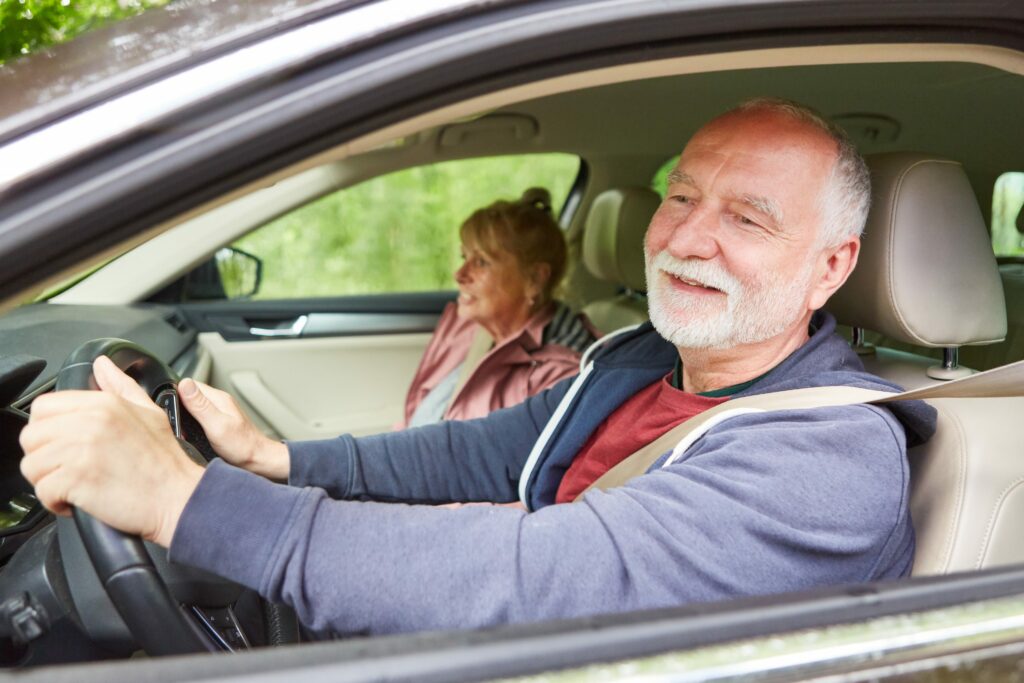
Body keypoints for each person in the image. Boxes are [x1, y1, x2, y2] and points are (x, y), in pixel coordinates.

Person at [20, 98, 936, 638]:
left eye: (748, 217)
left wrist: (187, 503)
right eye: (682, 195)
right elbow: (483, 455)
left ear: (832, 266)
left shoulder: (831, 452)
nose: (688, 237)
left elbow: (542, 577)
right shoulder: (645, 357)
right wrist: (278, 461)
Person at [403, 188, 597, 428]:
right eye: (464, 258)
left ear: (534, 279)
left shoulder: (560, 377)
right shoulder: (470, 329)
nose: (459, 274)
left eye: (481, 262)